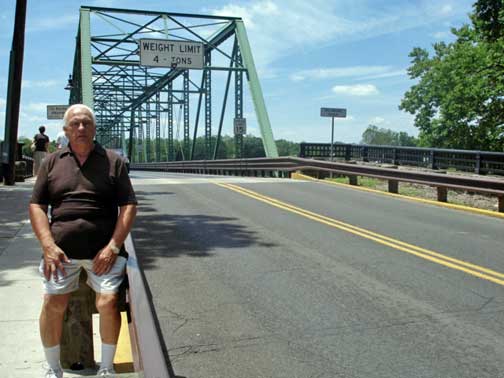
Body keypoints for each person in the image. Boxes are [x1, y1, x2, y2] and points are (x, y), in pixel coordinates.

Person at [29, 104, 137, 378]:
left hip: (105, 251)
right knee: (52, 302)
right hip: (60, 253)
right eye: (75, 124)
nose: (81, 128)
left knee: (109, 301)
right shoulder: (52, 162)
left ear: (94, 128)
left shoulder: (113, 161)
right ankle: (53, 369)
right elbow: (37, 206)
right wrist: (47, 245)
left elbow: (128, 205)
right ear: (65, 130)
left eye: (86, 123)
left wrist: (113, 246)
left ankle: (106, 368)